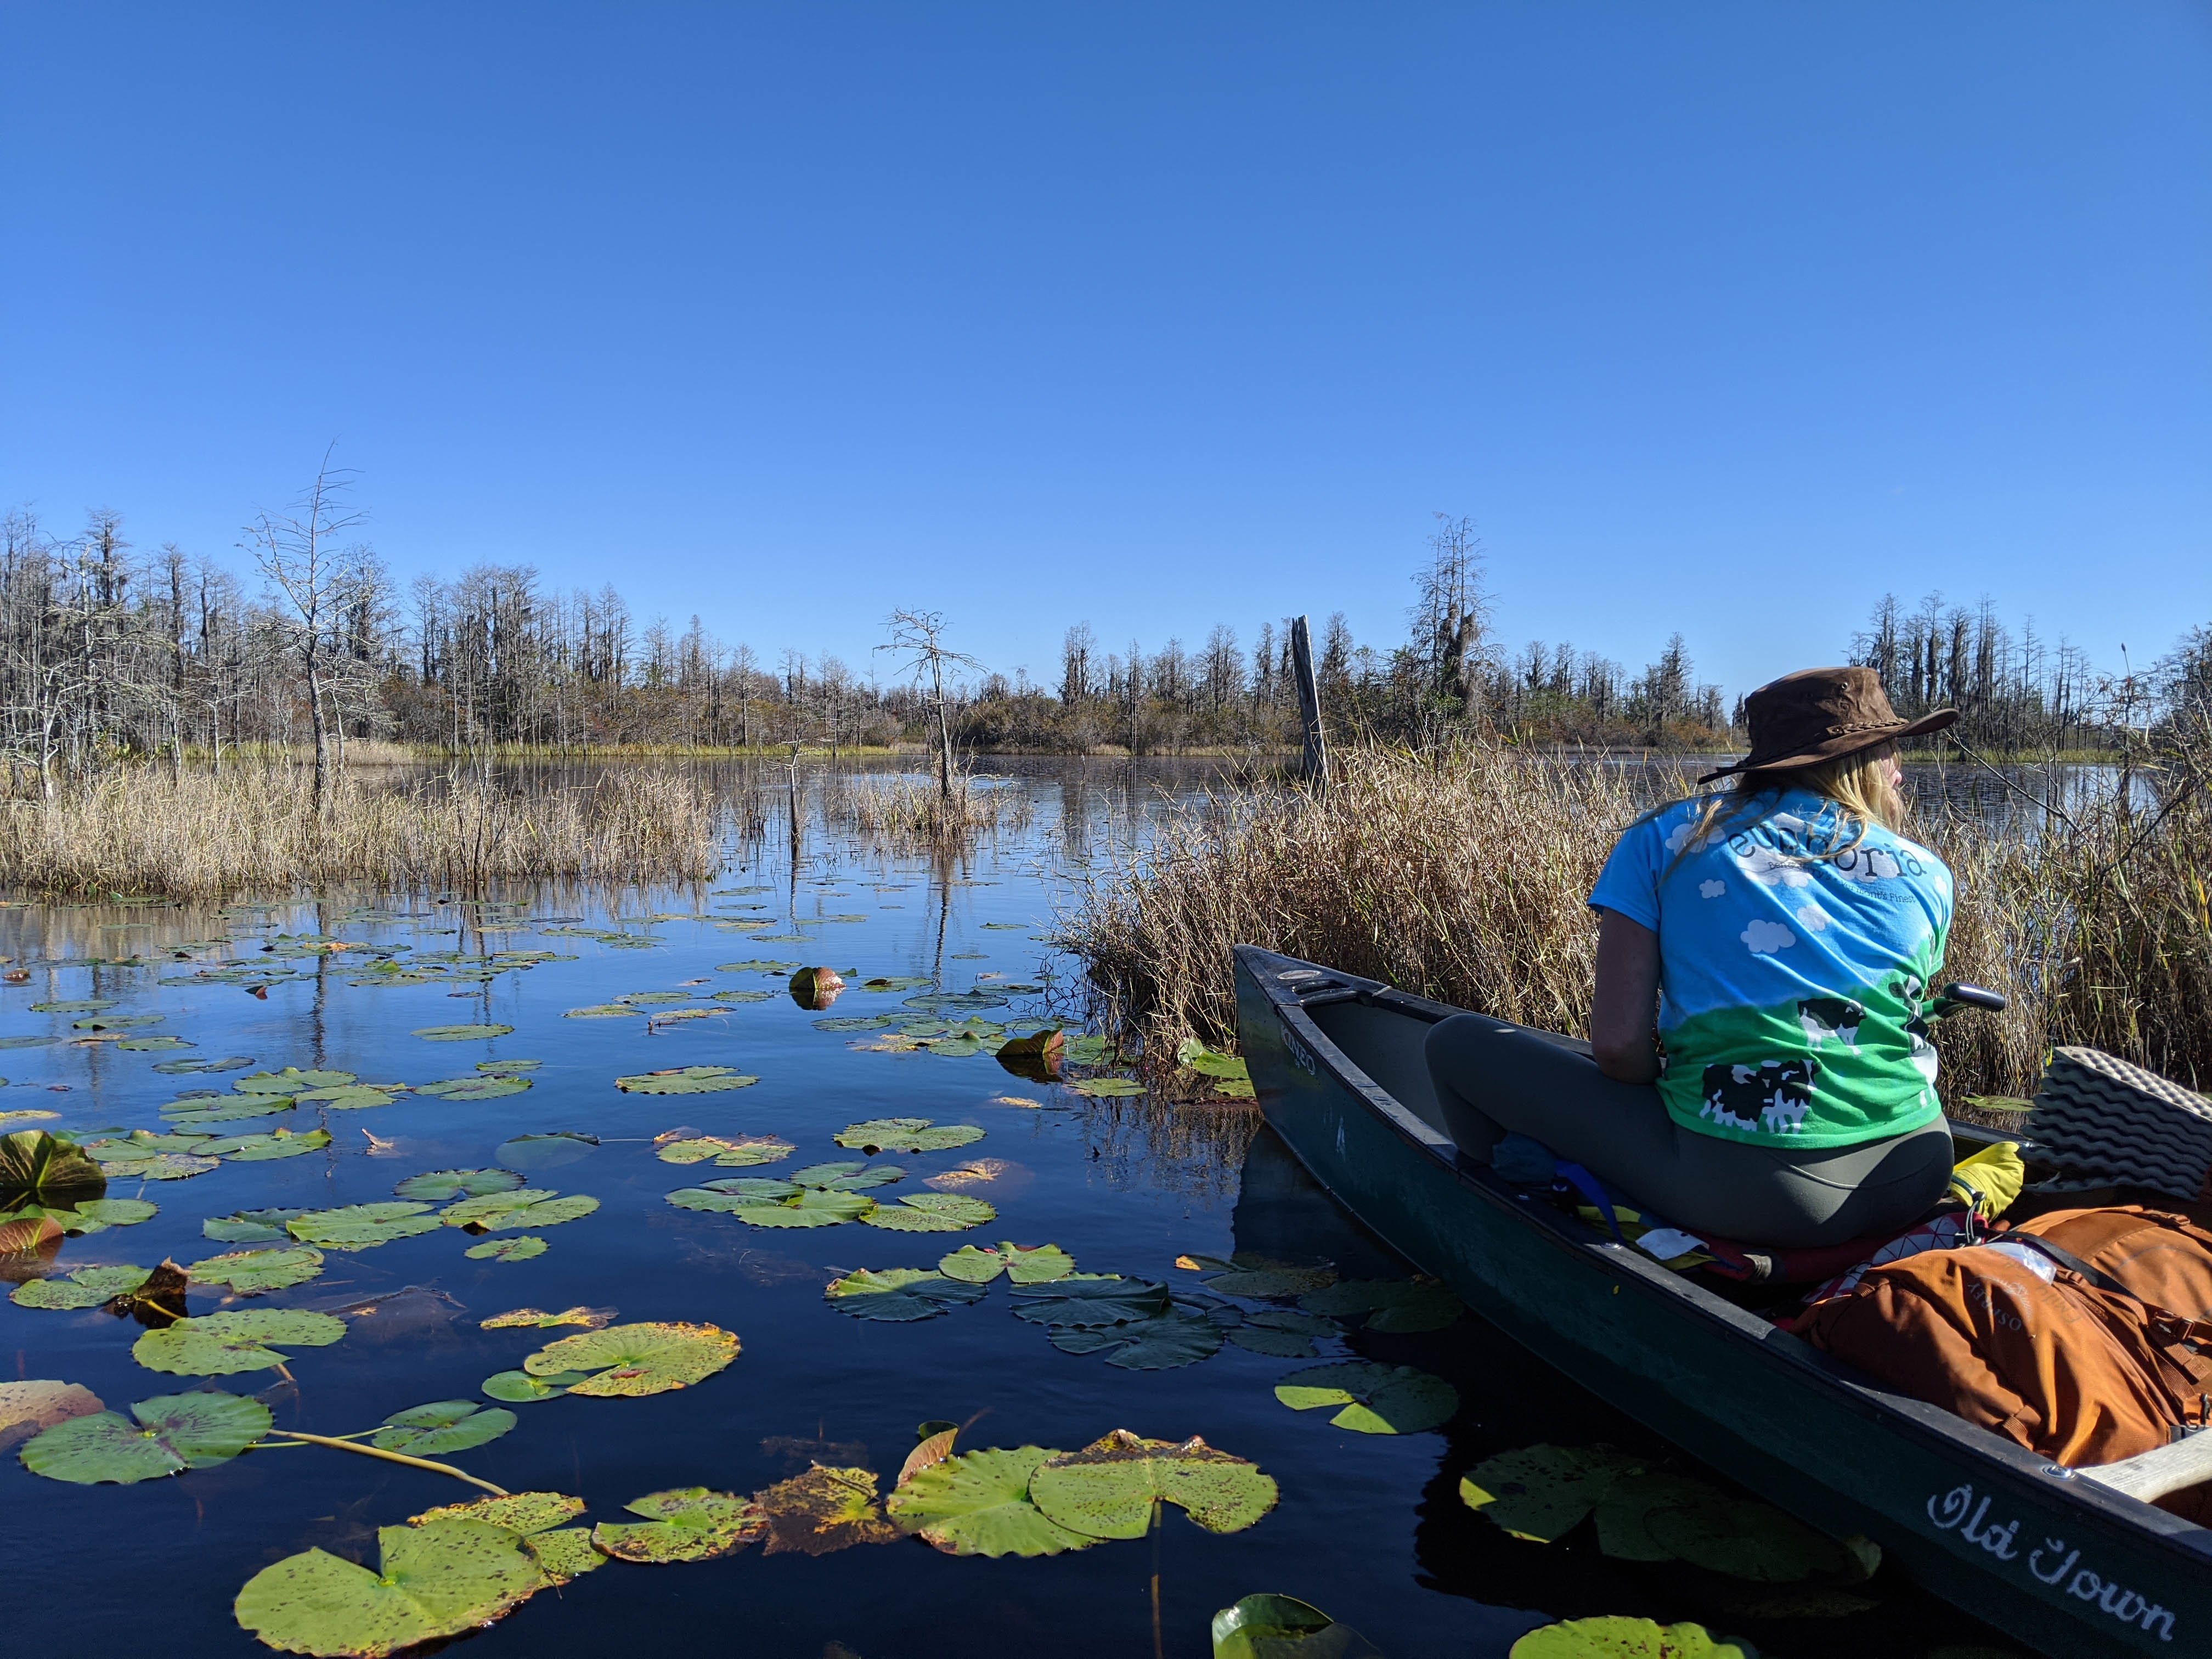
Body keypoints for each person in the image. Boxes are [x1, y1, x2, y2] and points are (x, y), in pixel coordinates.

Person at [1425, 666, 1962, 1248]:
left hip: (1767, 1196)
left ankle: (1516, 1230)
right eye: (1889, 753)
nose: (1900, 773)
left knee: (1453, 1043)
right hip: (1917, 1167)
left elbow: (1617, 1048)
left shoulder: (1665, 839)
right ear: (1857, 765)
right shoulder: (1929, 871)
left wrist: (1665, 1092)